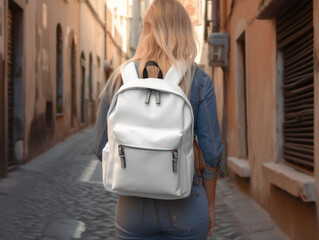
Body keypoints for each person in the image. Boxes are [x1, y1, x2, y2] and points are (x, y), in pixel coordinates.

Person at [92, 0, 224, 239]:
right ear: (184, 31)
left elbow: (101, 145)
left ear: (146, 30)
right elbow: (212, 153)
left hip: (132, 208)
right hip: (186, 203)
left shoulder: (121, 78)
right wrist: (211, 205)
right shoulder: (199, 79)